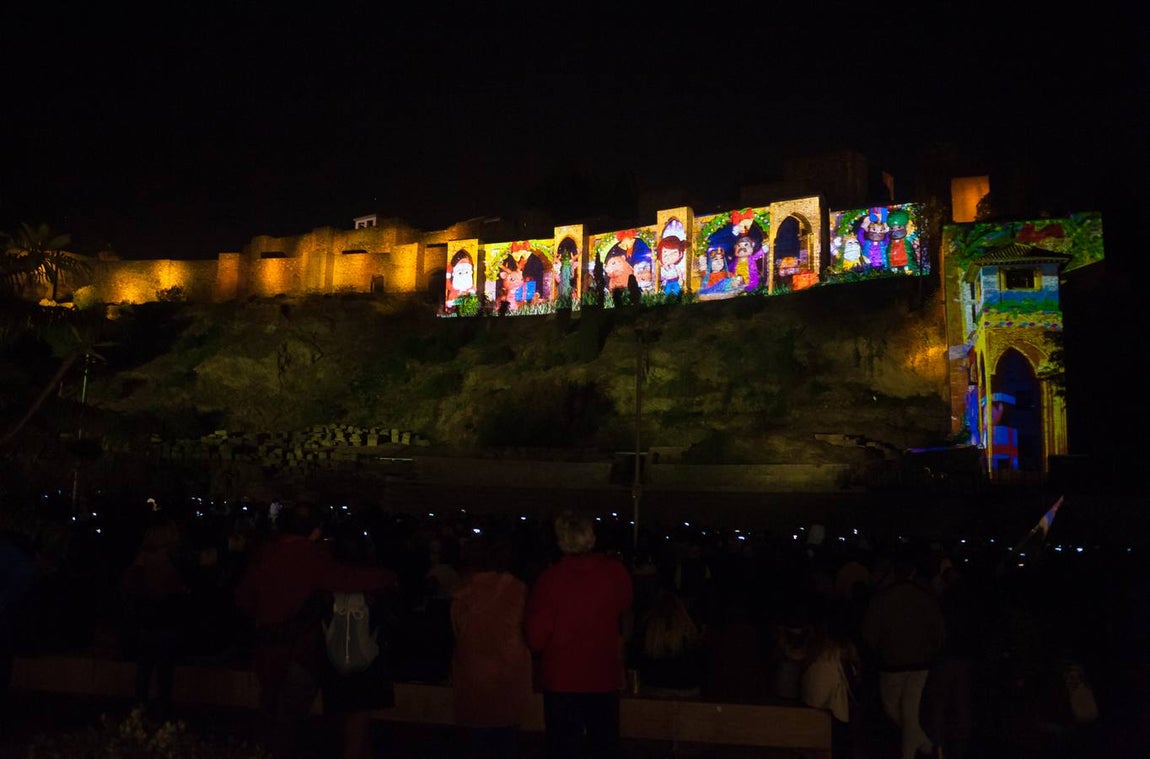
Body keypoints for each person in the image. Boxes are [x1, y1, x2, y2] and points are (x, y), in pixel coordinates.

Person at [234, 502, 397, 759]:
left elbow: (244, 600)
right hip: (297, 651)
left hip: (266, 648)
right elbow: (347, 579)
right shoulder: (312, 556)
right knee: (288, 720)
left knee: (270, 710)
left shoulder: (263, 554)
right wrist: (390, 577)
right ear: (316, 531)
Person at [526, 509, 633, 759]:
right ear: (592, 538)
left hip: (562, 680)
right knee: (603, 745)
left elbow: (536, 637)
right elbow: (625, 610)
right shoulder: (615, 573)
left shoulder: (550, 580)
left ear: (560, 540)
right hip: (603, 675)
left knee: (563, 747)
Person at [317, 519, 400, 759]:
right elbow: (394, 618)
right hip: (368, 659)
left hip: (334, 659)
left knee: (347, 725)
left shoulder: (326, 580)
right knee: (359, 725)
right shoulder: (381, 579)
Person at [450, 535, 533, 759]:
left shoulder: (462, 593)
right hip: (509, 673)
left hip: (474, 673)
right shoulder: (517, 588)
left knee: (478, 740)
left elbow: (458, 632)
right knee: (506, 739)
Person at [861, 545, 946, 759]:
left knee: (896, 711)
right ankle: (927, 747)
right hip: (920, 663)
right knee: (909, 713)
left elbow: (869, 633)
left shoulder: (883, 599)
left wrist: (881, 649)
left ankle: (918, 750)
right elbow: (939, 631)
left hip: (892, 664)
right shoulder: (926, 598)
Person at [121, 517, 190, 719]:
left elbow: (129, 583)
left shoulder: (143, 559)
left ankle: (140, 709)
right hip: (166, 617)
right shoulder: (172, 559)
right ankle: (163, 710)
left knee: (145, 667)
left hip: (147, 616)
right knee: (164, 669)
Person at [633, 589, 704, 698]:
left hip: (655, 688)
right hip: (687, 689)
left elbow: (638, 661)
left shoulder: (648, 630)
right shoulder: (689, 632)